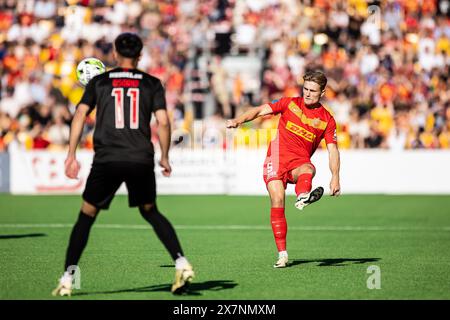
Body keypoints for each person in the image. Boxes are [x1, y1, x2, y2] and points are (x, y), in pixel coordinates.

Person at [52, 33, 194, 296]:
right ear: (140, 56)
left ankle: (67, 279)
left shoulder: (99, 81)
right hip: (140, 156)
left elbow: (81, 114)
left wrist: (71, 154)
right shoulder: (152, 83)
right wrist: (164, 156)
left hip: (108, 158)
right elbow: (163, 122)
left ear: (115, 54)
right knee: (150, 211)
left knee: (86, 216)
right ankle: (181, 262)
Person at [226, 70, 341, 268]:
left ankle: (302, 195)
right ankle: (283, 254)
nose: (307, 93)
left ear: (322, 93)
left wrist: (336, 177)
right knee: (277, 199)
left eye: (312, 91)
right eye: (305, 88)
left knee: (308, 169)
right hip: (276, 158)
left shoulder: (327, 120)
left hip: (298, 162)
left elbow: (333, 150)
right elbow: (260, 110)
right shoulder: (289, 103)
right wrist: (238, 120)